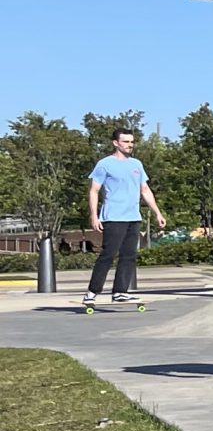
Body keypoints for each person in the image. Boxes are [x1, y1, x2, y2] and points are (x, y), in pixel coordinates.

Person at [84, 126, 167, 308]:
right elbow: (94, 190)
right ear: (116, 143)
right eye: (126, 142)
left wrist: (157, 212)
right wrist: (94, 215)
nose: (130, 145)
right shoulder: (105, 164)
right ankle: (92, 292)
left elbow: (145, 190)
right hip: (113, 216)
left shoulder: (136, 165)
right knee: (108, 254)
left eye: (132, 142)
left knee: (129, 255)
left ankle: (120, 292)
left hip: (133, 216)